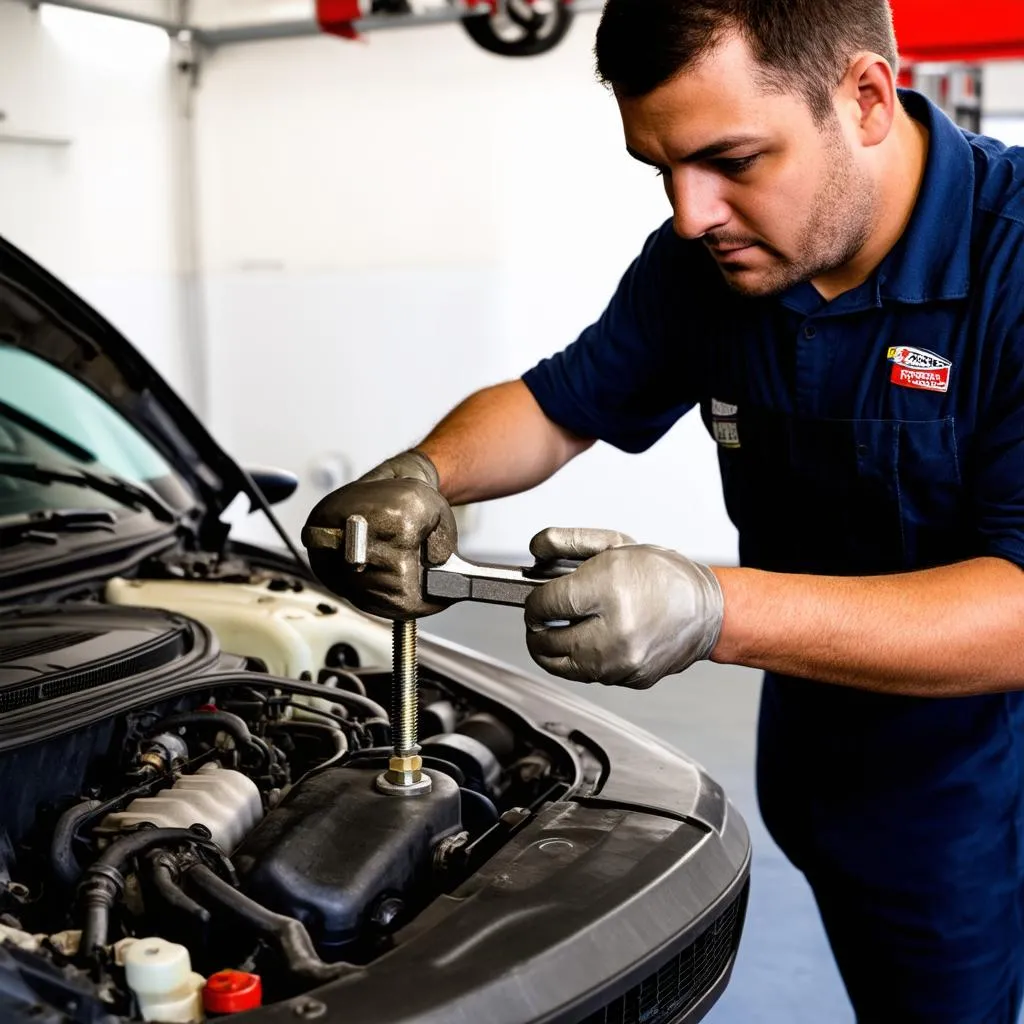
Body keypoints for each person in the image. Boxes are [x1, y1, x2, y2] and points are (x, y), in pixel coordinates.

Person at [302, 1, 1024, 1019]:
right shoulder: (705, 264)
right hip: (814, 756)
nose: (691, 214)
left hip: (974, 784)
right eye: (662, 168)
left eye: (731, 159)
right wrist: (423, 471)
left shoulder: (1012, 265)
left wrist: (710, 608)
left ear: (863, 97)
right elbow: (559, 404)